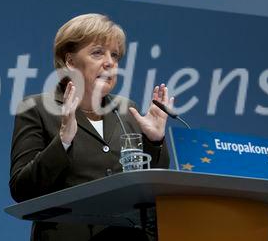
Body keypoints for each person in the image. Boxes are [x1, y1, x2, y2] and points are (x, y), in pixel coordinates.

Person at [9, 13, 172, 240]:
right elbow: (22, 190)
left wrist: (155, 142)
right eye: (98, 52)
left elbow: (150, 192)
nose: (110, 63)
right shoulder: (37, 108)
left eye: (115, 56)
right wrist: (63, 140)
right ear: (70, 61)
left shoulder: (127, 110)